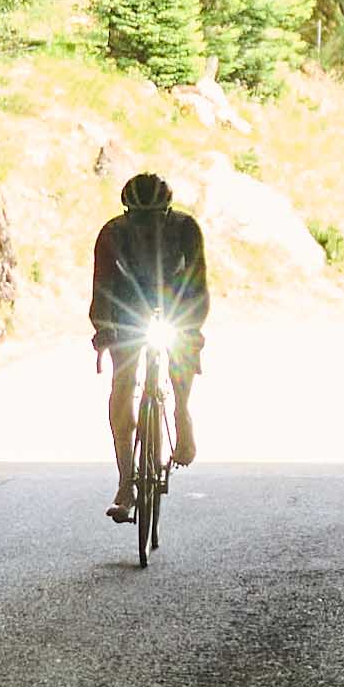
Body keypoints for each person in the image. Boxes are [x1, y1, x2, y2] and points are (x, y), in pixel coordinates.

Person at [89, 169, 209, 516]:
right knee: (123, 383)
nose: (146, 225)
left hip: (174, 300)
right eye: (139, 219)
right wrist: (102, 331)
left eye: (155, 218)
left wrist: (193, 328)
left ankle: (181, 412)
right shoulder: (112, 234)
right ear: (127, 215)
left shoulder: (186, 230)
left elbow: (198, 284)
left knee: (182, 352)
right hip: (128, 306)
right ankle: (126, 482)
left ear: (167, 214)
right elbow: (102, 286)